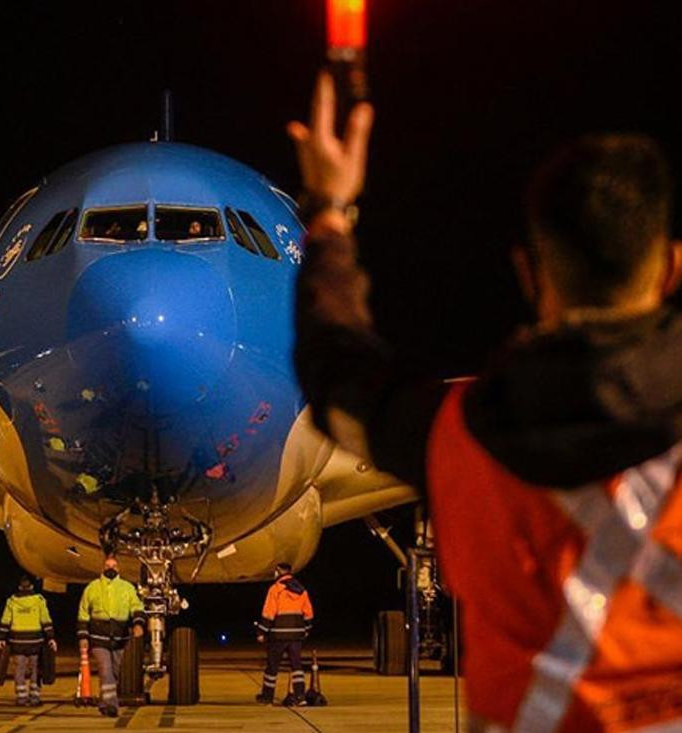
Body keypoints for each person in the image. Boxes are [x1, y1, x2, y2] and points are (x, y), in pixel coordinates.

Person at [289, 71, 682, 732]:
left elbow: (337, 373)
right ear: (671, 268)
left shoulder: (456, 431)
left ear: (527, 273)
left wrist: (330, 212)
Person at [77, 555, 146, 717]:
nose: (111, 568)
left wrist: (138, 624)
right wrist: (83, 637)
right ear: (102, 568)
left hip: (120, 638)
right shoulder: (92, 588)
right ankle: (111, 705)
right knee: (105, 669)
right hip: (98, 637)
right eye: (108, 565)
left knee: (114, 672)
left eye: (114, 566)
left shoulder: (127, 588)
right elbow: (83, 614)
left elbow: (136, 607)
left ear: (118, 569)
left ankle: (104, 700)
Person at [254, 562, 314, 706]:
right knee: (297, 666)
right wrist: (306, 630)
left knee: (272, 668)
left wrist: (261, 631)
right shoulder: (302, 590)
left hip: (278, 635)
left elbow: (269, 613)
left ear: (280, 572)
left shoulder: (275, 589)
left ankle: (267, 697)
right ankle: (300, 697)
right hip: (296, 636)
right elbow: (309, 613)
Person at [0, 575, 56, 706]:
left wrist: (1, 638)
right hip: (35, 641)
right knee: (36, 669)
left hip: (17, 641)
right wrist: (51, 637)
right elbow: (46, 620)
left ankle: (21, 697)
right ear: (32, 587)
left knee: (20, 669)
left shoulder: (12, 601)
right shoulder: (39, 600)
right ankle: (35, 697)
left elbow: (5, 621)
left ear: (19, 587)